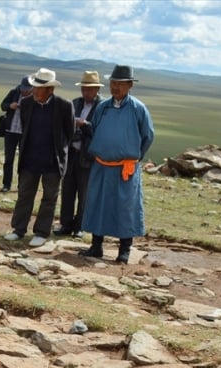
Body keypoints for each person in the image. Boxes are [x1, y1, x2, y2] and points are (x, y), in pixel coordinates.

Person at [79, 65, 155, 264]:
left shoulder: (138, 108)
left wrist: (134, 157)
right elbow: (95, 128)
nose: (115, 87)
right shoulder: (103, 107)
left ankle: (124, 250)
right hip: (101, 165)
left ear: (130, 85)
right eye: (113, 83)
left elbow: (147, 136)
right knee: (97, 203)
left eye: (120, 84)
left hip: (125, 168)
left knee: (125, 207)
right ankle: (96, 246)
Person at [3, 68, 73, 247]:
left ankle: (42, 232)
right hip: (30, 159)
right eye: (34, 87)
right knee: (24, 194)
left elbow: (69, 132)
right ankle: (18, 230)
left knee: (49, 197)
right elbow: (26, 128)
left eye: (38, 88)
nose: (33, 90)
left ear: (50, 90)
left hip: (52, 161)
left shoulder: (65, 106)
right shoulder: (26, 104)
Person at [56, 71, 103, 237]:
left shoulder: (103, 107)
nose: (86, 92)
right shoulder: (75, 103)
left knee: (85, 193)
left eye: (90, 89)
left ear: (97, 89)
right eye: (84, 89)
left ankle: (81, 226)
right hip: (71, 153)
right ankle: (66, 225)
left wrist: (84, 125)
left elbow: (101, 130)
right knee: (68, 190)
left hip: (88, 155)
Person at [0, 76, 33, 192]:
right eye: (23, 88)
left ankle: (21, 186)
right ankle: (6, 185)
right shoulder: (14, 92)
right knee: (9, 159)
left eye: (27, 89)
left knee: (23, 160)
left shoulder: (34, 97)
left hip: (24, 133)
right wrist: (10, 106)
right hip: (10, 131)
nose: (25, 91)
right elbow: (3, 105)